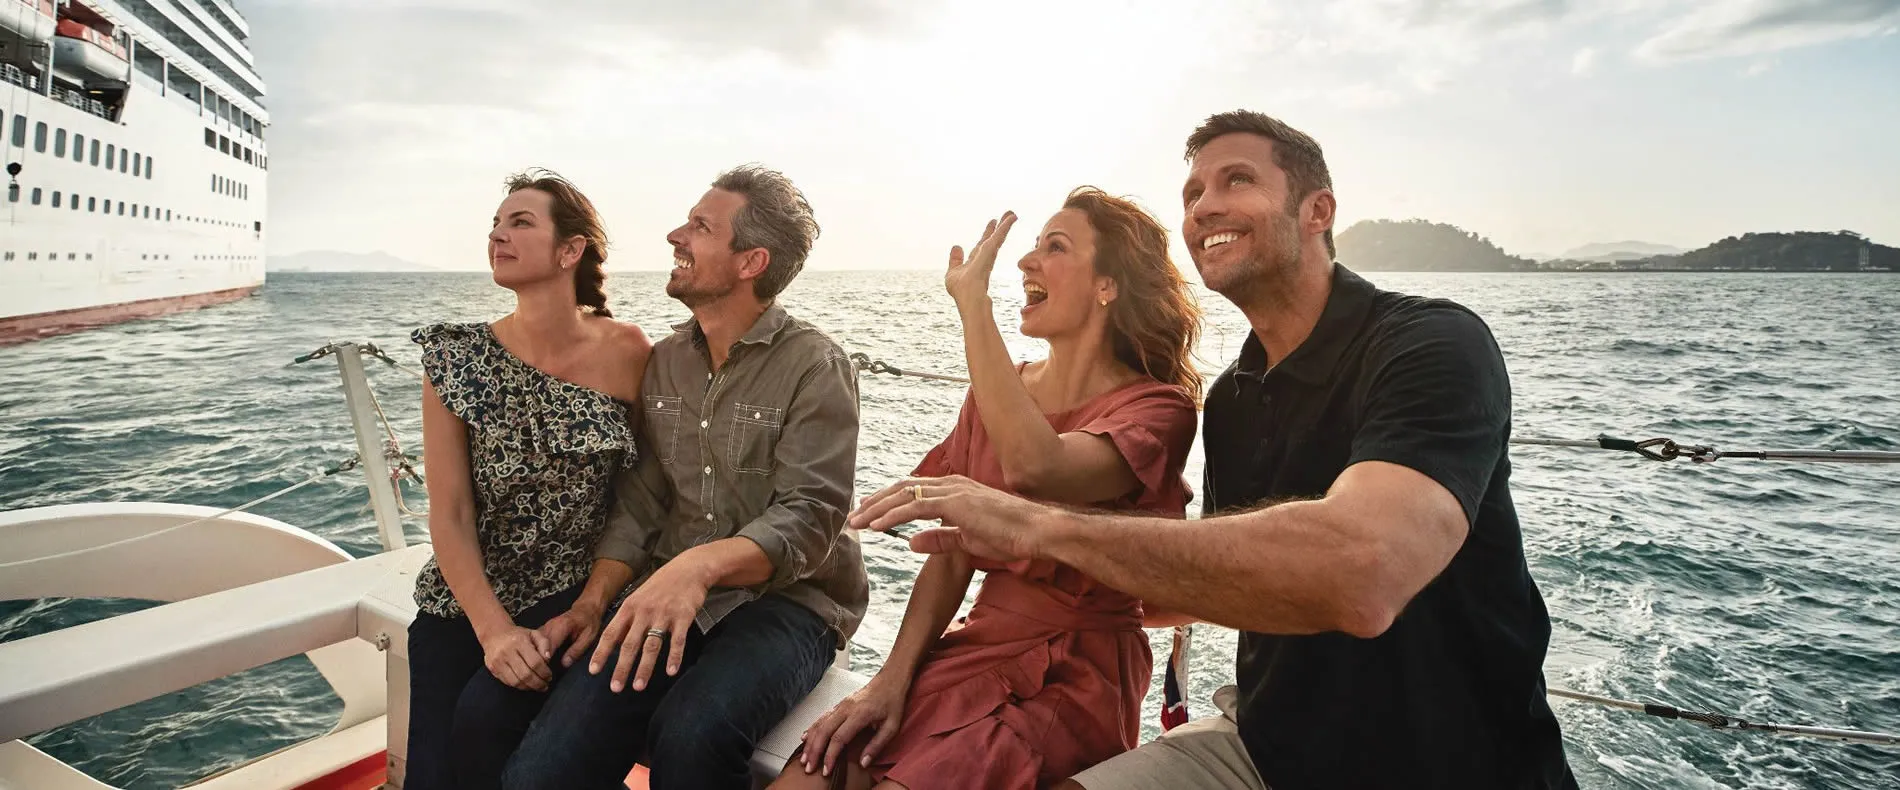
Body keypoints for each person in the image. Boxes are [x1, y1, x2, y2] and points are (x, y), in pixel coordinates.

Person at [851, 110, 1580, 790]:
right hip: (1262, 751)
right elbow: (1213, 576)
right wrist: (1027, 594)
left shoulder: (1428, 342)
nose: (1203, 207)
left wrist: (1037, 527)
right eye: (1193, 191)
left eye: (1237, 180)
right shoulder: (1233, 398)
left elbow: (1366, 571)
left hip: (1452, 766)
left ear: (1317, 212)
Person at [773, 188, 1204, 790]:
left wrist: (973, 306)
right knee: (814, 770)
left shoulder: (1158, 408)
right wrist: (888, 680)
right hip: (976, 648)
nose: (1027, 262)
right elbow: (950, 559)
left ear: (1109, 285)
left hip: (1074, 673)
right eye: (1032, 246)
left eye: (1054, 247)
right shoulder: (1000, 393)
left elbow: (1040, 467)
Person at [471, 164, 869, 790]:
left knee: (691, 735)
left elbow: (810, 517)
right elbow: (642, 499)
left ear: (750, 261)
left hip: (791, 604)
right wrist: (592, 603)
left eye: (701, 226)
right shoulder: (666, 362)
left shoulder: (815, 366)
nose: (674, 234)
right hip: (670, 593)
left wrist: (697, 567)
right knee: (542, 772)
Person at [404, 169, 651, 790]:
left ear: (570, 251)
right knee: (434, 777)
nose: (497, 235)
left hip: (573, 596)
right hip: (466, 599)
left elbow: (644, 494)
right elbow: (451, 512)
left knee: (502, 749)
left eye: (520, 223)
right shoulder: (454, 357)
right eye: (495, 223)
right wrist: (493, 632)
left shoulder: (628, 351)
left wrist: (597, 599)